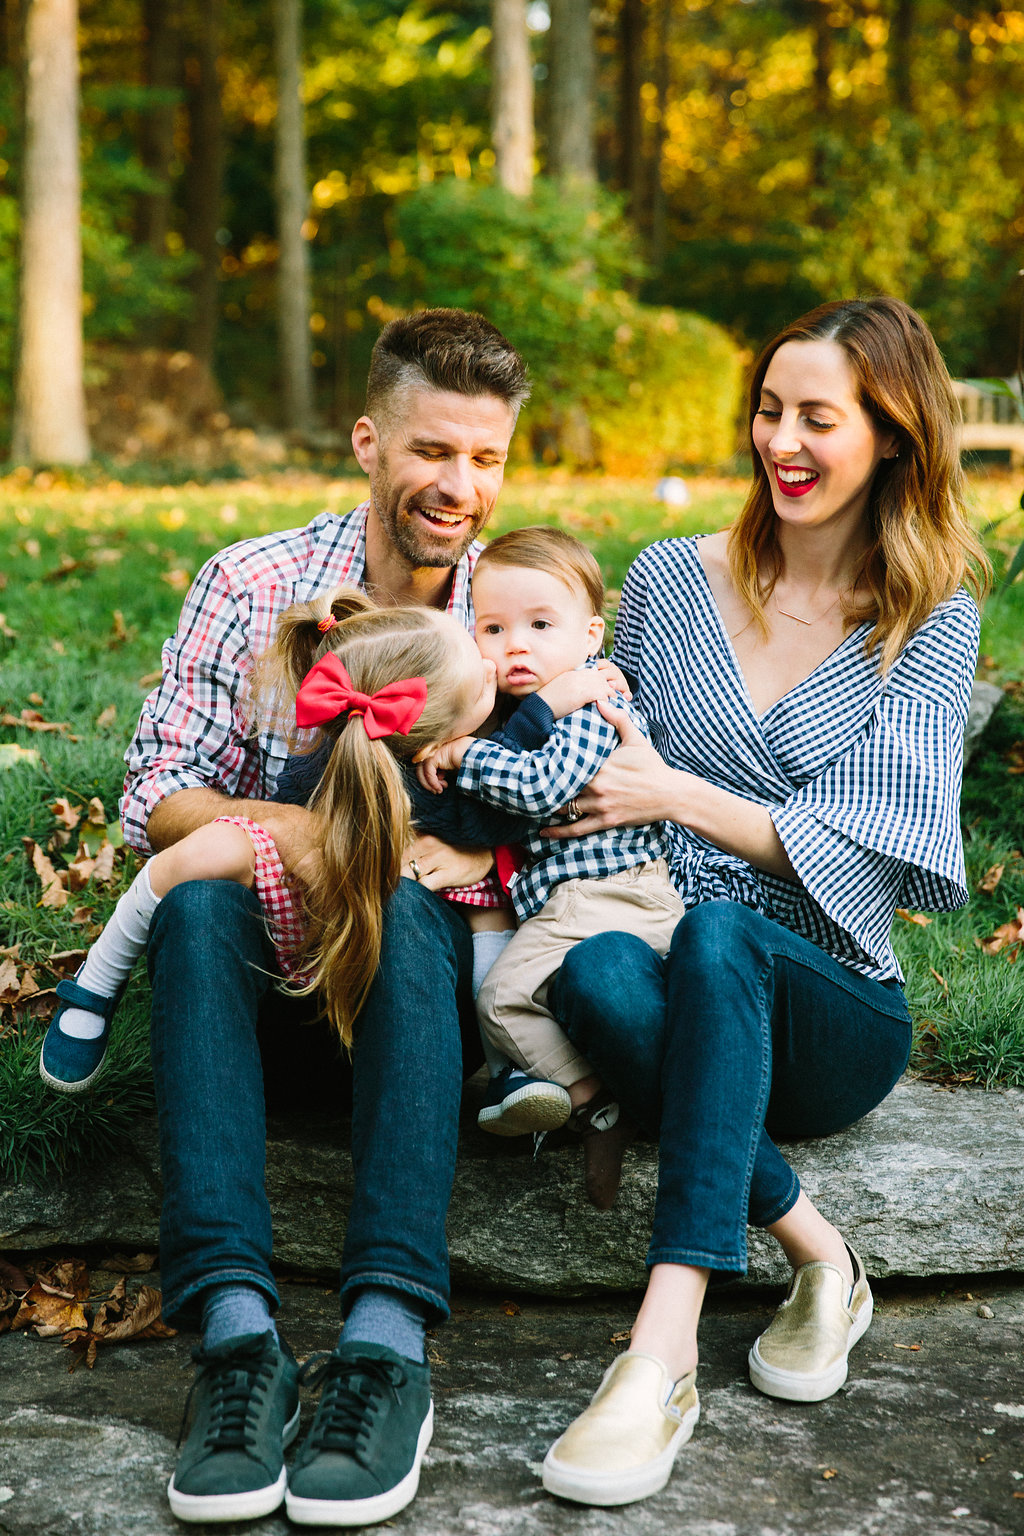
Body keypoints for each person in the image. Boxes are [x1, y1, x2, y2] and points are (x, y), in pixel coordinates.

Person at [535, 296, 988, 1508]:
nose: (781, 441)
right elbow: (600, 749)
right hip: (664, 974)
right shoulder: (671, 582)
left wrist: (680, 795)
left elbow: (879, 849)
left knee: (721, 929)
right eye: (768, 410)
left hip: (831, 1009)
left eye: (818, 419)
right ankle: (819, 1255)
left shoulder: (925, 622)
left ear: (891, 435)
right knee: (588, 976)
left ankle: (660, 1348)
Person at [85, 309, 532, 1528]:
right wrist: (322, 835)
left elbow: (571, 799)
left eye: (486, 459)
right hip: (265, 991)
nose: (460, 488)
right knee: (193, 901)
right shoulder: (252, 582)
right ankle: (235, 1341)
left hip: (426, 1003)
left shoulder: (519, 611)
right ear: (367, 442)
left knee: (407, 890)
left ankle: (386, 1345)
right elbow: (153, 801)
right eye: (433, 451)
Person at [38, 589, 505, 1084]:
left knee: (471, 913)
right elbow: (161, 787)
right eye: (481, 686)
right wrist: (288, 828)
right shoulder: (331, 758)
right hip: (300, 942)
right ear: (435, 734)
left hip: (412, 992)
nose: (495, 671)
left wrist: (490, 856)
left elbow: (549, 817)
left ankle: (509, 1053)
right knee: (213, 856)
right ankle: (98, 980)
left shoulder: (493, 767)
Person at [418, 526, 689, 1208]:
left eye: (541, 624)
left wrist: (462, 757)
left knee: (501, 1000)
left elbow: (540, 787)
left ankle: (584, 1094)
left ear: (591, 635)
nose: (516, 644)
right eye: (493, 627)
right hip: (579, 900)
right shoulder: (532, 708)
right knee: (521, 996)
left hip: (611, 895)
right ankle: (587, 1096)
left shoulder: (595, 705)